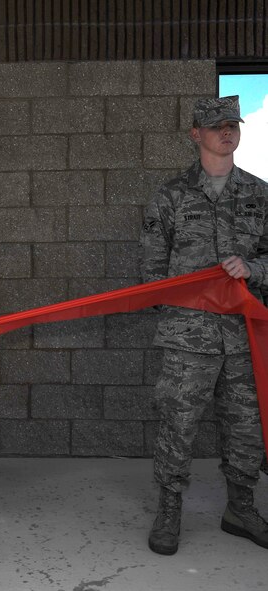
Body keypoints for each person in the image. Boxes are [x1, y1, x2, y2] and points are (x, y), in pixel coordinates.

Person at [141, 95, 268, 555]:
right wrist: (181, 311)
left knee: (245, 426)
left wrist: (254, 272)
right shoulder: (170, 196)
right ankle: (170, 508)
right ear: (196, 134)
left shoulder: (260, 194)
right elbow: (151, 272)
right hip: (187, 340)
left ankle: (241, 506)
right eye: (216, 126)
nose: (226, 131)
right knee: (178, 424)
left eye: (232, 124)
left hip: (242, 337)